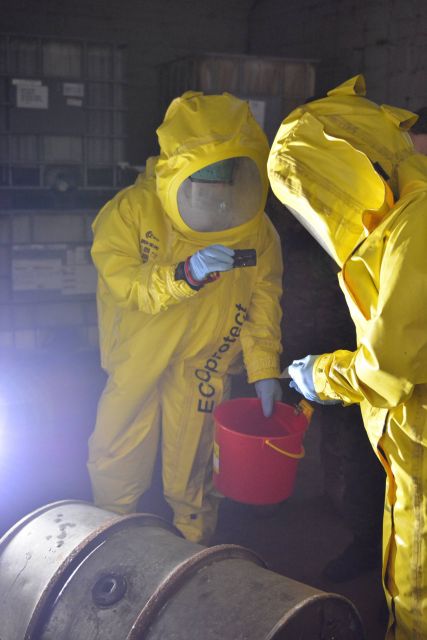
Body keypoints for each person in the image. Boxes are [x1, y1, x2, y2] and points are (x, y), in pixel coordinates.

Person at [267, 74, 426, 638]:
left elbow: (388, 367)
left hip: (417, 435)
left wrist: (320, 376)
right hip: (405, 433)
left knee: (418, 582)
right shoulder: (405, 215)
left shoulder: (413, 226)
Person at [88, 91, 284, 544]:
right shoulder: (133, 211)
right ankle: (108, 543)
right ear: (177, 168)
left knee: (195, 469)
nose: (216, 196)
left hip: (206, 362)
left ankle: (192, 555)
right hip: (138, 357)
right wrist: (182, 276)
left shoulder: (255, 227)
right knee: (118, 451)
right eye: (203, 178)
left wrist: (264, 368)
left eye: (225, 176)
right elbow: (124, 282)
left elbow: (263, 298)